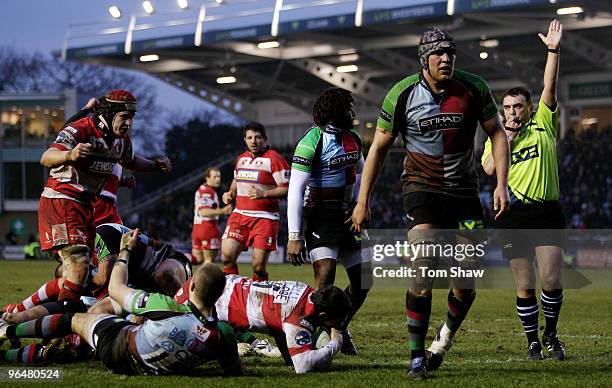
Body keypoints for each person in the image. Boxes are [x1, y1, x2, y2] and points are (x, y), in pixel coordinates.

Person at [350, 28, 510, 379]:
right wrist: (362, 201)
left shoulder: (473, 88)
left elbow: (497, 132)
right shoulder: (401, 94)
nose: (446, 59)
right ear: (424, 59)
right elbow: (377, 148)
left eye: (450, 54)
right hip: (421, 190)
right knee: (422, 266)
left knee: (465, 282)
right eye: (438, 54)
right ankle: (416, 356)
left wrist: (501, 183)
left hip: (465, 193)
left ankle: (444, 339)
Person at [1, 230, 242, 376]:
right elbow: (232, 369)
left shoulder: (165, 305)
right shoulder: (223, 334)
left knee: (73, 319)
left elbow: (116, 289)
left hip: (120, 349)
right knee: (105, 313)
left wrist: (125, 251)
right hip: (149, 357)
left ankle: (9, 335)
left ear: (190, 286)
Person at [38, 89, 172, 308]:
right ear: (109, 115)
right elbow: (46, 157)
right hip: (62, 200)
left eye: (132, 118)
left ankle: (25, 312)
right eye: (124, 117)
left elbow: (130, 160)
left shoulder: (121, 141)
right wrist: (69, 155)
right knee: (80, 268)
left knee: (85, 271)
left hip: (86, 206)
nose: (129, 123)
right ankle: (62, 329)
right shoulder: (80, 129)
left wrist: (154, 165)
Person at [482, 20, 566, 361]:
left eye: (518, 106)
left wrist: (553, 50)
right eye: (508, 108)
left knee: (551, 277)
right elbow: (488, 168)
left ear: (529, 107)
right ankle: (532, 341)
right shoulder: (498, 139)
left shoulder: (544, 122)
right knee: (525, 283)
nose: (513, 112)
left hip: (546, 211)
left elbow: (550, 84)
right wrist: (509, 138)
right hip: (514, 214)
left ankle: (551, 333)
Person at [286, 87, 371, 355]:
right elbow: (295, 192)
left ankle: (340, 327)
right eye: (347, 109)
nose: (352, 113)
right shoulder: (310, 142)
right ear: (334, 112)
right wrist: (293, 235)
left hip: (348, 215)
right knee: (325, 279)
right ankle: (307, 338)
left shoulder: (353, 139)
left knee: (363, 281)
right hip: (320, 216)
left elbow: (363, 173)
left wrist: (361, 205)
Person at [1, 223, 190, 323]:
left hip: (169, 261)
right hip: (138, 285)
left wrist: (76, 281)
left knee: (163, 274)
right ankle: (17, 312)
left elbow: (102, 280)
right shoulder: (88, 252)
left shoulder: (101, 235)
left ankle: (189, 316)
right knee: (96, 312)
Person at [174, 274, 351, 374]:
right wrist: (335, 343)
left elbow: (278, 326)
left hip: (213, 283)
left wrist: (288, 357)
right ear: (323, 314)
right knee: (192, 350)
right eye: (338, 319)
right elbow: (303, 366)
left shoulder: (306, 290)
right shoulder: (298, 317)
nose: (339, 324)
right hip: (202, 303)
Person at [221, 122, 290, 280]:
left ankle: (259, 299)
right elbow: (235, 181)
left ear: (265, 139)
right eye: (250, 137)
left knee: (258, 268)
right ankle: (234, 293)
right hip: (240, 215)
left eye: (258, 137)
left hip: (265, 218)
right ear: (245, 139)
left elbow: (286, 189)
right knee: (227, 257)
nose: (254, 141)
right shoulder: (241, 159)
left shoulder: (275, 159)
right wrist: (230, 193)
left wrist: (263, 194)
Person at [192, 167, 233, 264]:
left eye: (219, 176)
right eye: (214, 177)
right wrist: (223, 211)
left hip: (197, 227)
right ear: (207, 178)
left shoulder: (201, 189)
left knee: (198, 260)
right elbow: (204, 211)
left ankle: (182, 259)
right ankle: (205, 279)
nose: (218, 179)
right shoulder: (208, 191)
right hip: (208, 227)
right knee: (209, 261)